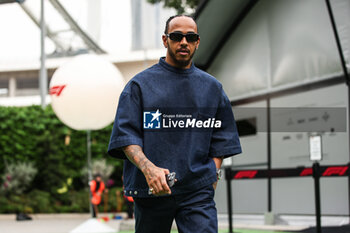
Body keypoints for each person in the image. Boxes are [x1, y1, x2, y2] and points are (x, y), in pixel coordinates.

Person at [108, 15, 241, 233]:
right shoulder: (139, 86)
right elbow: (126, 138)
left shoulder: (212, 88)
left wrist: (211, 175)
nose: (184, 42)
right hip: (152, 189)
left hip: (197, 191)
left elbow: (222, 141)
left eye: (191, 37)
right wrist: (148, 169)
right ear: (165, 40)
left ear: (197, 42)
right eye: (177, 36)